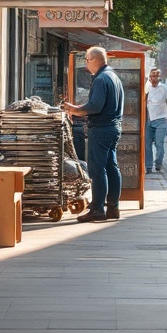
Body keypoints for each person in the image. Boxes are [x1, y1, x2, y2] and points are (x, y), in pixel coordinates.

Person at [60, 47, 124, 222]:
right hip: (113, 127)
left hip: (101, 128)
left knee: (97, 169)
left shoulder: (101, 79)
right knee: (111, 166)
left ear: (95, 59)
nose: (86, 64)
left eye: (87, 60)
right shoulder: (114, 77)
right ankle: (113, 207)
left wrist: (75, 110)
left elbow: (95, 106)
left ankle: (97, 208)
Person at [144, 68, 167, 173]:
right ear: (149, 77)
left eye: (156, 75)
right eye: (152, 75)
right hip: (149, 120)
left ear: (159, 77)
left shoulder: (164, 88)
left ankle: (158, 163)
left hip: (162, 119)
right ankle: (148, 166)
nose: (154, 78)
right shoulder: (146, 89)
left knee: (159, 144)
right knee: (147, 144)